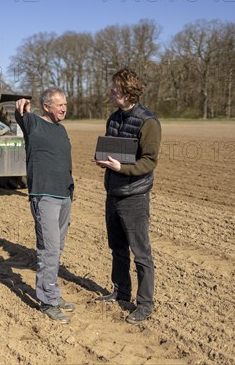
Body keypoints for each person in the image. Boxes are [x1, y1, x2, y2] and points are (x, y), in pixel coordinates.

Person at [95, 68, 161, 324]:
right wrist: (104, 162)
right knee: (117, 248)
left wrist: (123, 169)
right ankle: (122, 292)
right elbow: (112, 151)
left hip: (134, 196)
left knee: (141, 253)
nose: (111, 94)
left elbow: (150, 161)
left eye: (114, 90)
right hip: (112, 192)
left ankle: (145, 304)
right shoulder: (113, 118)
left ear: (127, 92)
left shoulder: (148, 122)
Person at [15, 87, 75, 324]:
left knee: (57, 248)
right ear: (47, 106)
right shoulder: (34, 125)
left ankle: (53, 294)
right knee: (48, 248)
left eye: (66, 105)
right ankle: (47, 301)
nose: (64, 108)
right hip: (44, 196)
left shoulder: (61, 130)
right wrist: (21, 105)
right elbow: (21, 114)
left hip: (64, 195)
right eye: (60, 105)